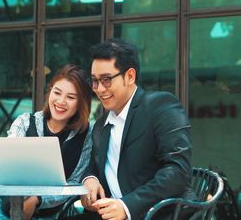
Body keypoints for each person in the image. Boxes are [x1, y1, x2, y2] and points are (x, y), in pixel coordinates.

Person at [69, 39, 193, 220]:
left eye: (106, 80)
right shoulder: (100, 126)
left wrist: (127, 205)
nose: (100, 89)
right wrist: (90, 179)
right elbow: (93, 167)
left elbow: (178, 171)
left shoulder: (161, 107)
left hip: (159, 214)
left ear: (130, 76)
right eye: (94, 81)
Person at [0, 64, 93, 220]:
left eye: (71, 97)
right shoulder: (25, 122)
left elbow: (74, 183)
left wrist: (37, 199)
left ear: (81, 103)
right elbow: (8, 169)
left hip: (51, 215)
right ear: (50, 92)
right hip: (4, 209)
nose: (61, 101)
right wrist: (24, 200)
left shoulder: (86, 135)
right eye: (57, 92)